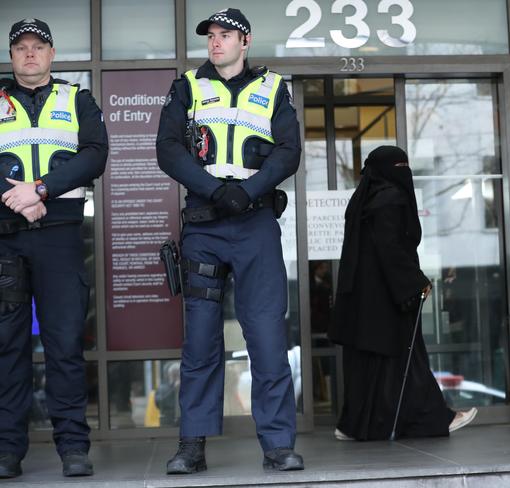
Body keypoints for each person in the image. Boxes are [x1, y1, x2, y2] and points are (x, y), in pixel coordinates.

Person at [156, 7, 303, 474]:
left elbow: (289, 150)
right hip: (204, 224)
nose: (216, 42)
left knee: (266, 335)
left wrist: (249, 191)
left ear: (246, 41)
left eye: (225, 35)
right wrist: (217, 190)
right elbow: (168, 149)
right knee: (200, 341)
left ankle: (278, 445)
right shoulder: (187, 87)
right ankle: (192, 446)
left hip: (256, 224)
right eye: (211, 36)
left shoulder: (273, 88)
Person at [0, 18, 108, 478]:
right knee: (7, 346)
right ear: (11, 56)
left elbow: (96, 153)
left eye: (37, 47)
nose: (29, 54)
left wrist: (39, 191)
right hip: (5, 237)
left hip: (61, 235)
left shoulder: (76, 97)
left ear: (51, 53)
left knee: (65, 344)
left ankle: (73, 448)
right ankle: (7, 451)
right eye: (20, 47)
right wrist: (15, 199)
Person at [328, 146, 477, 441]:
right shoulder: (391, 200)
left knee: (368, 368)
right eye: (400, 165)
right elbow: (391, 249)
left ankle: (354, 426)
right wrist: (417, 281)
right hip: (387, 300)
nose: (404, 171)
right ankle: (435, 419)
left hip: (361, 302)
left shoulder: (363, 200)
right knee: (409, 361)